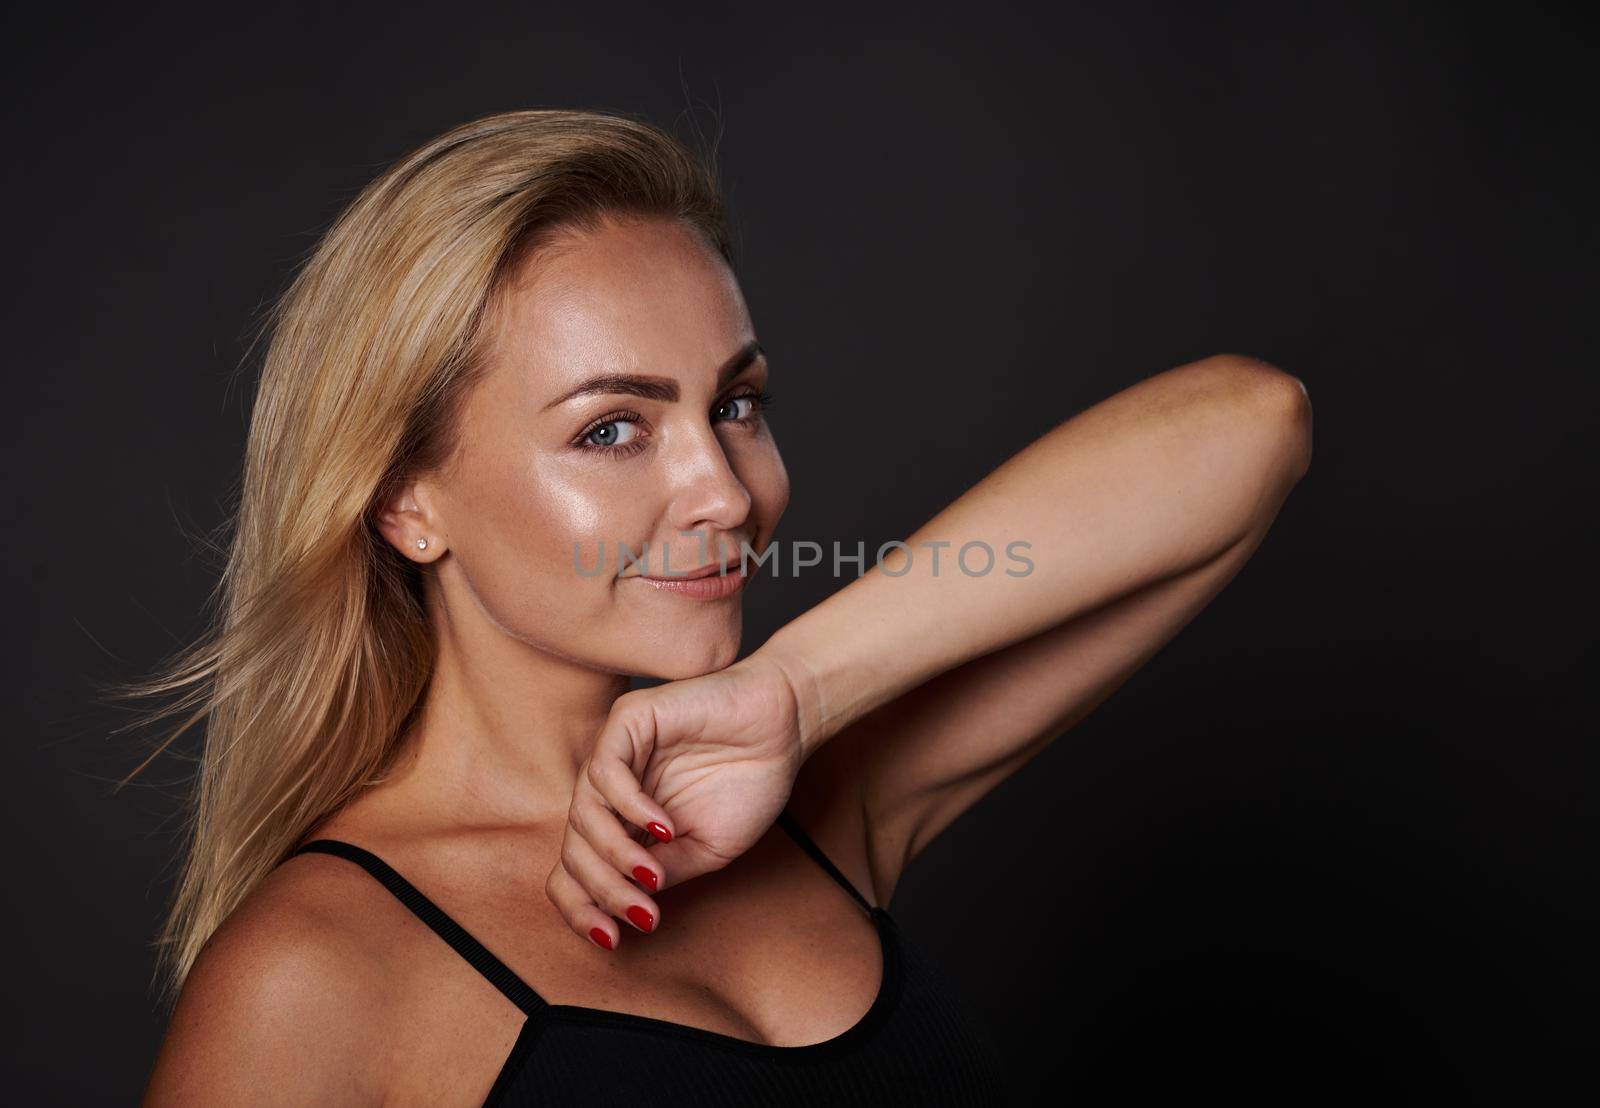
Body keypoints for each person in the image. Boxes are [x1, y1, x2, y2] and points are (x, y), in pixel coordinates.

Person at [132, 107, 1312, 1106]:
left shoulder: (806, 800)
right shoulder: (313, 973)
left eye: (735, 404)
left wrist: (794, 690)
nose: (723, 487)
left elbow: (1252, 426)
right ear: (405, 504)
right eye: (612, 428)